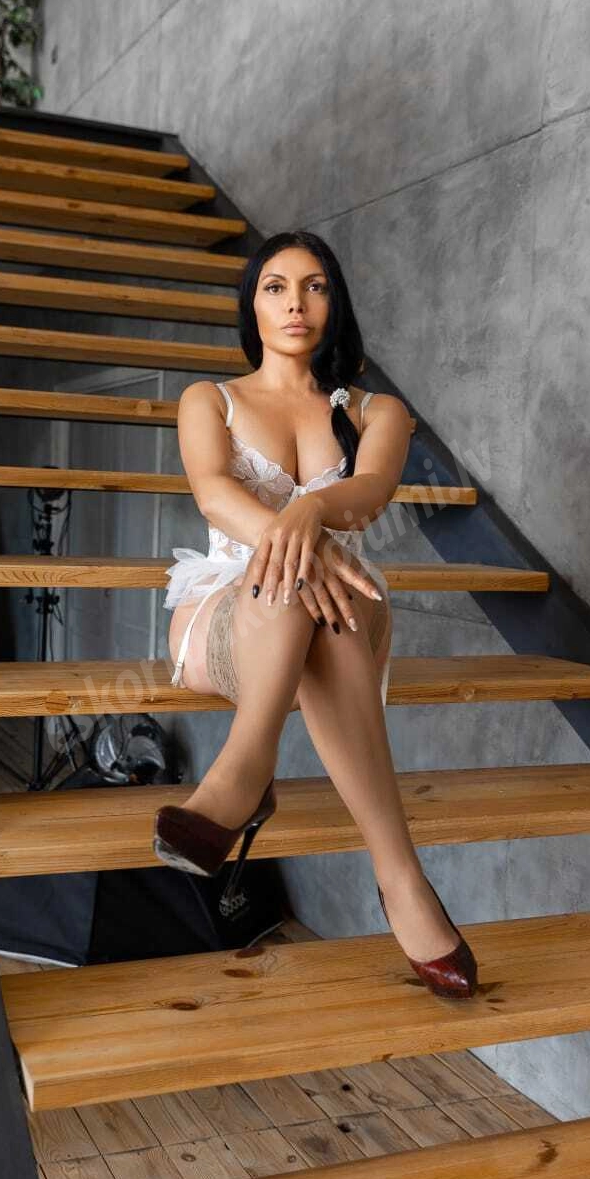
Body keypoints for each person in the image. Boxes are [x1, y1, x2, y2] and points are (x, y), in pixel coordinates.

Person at [153, 229, 477, 999]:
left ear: (335, 302)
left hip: (344, 613)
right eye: (275, 286)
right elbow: (213, 493)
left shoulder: (377, 411)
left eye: (314, 286)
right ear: (252, 305)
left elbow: (370, 495)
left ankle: (243, 774)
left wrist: (313, 513)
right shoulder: (210, 399)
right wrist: (300, 539)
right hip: (230, 608)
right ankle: (400, 877)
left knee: (325, 594)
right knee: (299, 578)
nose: (295, 303)